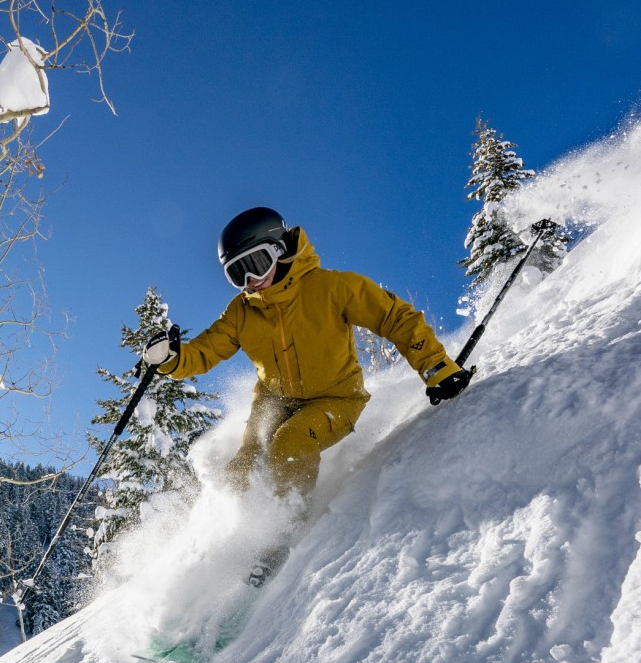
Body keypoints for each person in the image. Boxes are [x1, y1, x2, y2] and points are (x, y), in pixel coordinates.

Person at [142, 206, 470, 501]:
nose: (251, 281)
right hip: (273, 399)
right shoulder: (241, 312)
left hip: (336, 400)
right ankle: (233, 533)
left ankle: (287, 526)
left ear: (279, 250)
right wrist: (170, 359)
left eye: (256, 264)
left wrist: (436, 367)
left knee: (289, 444)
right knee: (243, 466)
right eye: (238, 274)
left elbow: (395, 317)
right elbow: (203, 352)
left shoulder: (331, 288)